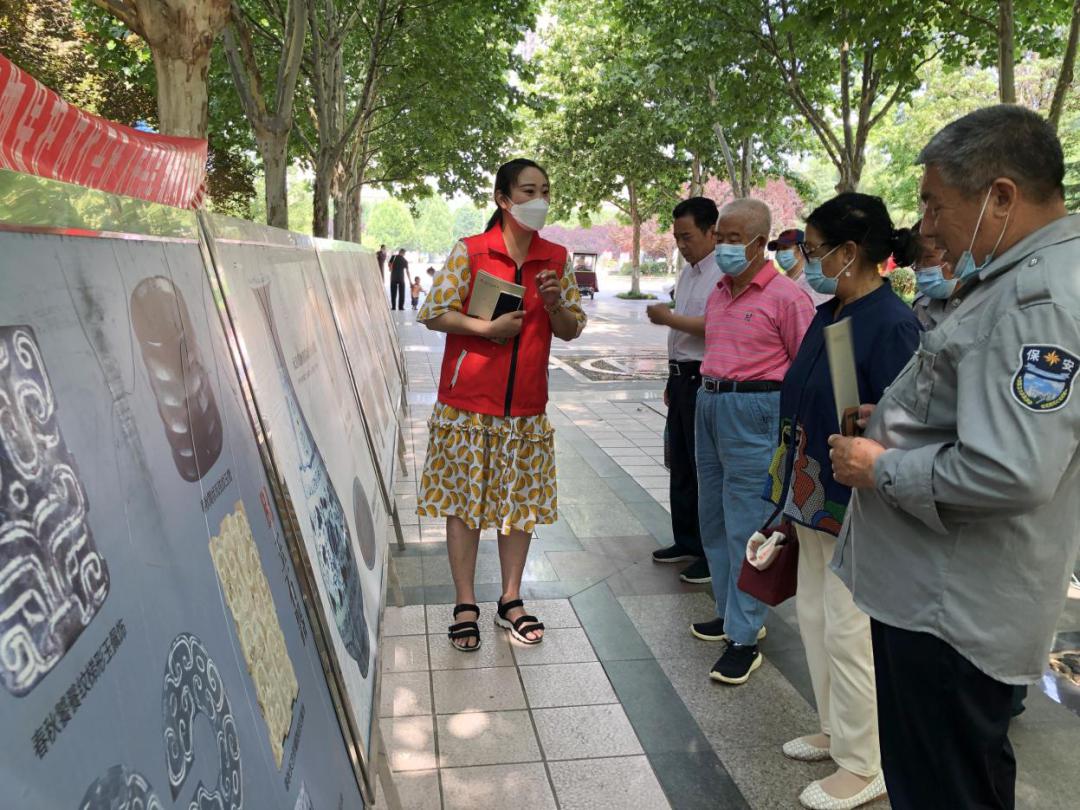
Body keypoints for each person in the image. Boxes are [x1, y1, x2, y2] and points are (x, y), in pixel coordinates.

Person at [828, 105, 1080, 809]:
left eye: (937, 205)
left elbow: (1011, 470)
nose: (926, 227)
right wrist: (900, 421)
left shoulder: (1038, 300)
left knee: (942, 788)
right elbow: (984, 411)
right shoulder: (1019, 276)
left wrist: (880, 466)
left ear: (1001, 194)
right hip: (944, 599)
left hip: (951, 611)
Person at [767, 193, 921, 810]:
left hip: (856, 499)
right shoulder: (828, 312)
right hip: (811, 492)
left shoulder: (894, 322)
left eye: (812, 247)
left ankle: (865, 761)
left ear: (849, 252)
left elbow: (903, 420)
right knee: (815, 618)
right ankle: (836, 729)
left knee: (850, 629)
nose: (804, 257)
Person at [417, 158, 587, 653]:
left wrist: (555, 304)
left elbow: (572, 328)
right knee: (465, 505)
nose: (539, 201)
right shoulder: (472, 252)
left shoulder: (556, 257)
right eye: (528, 191)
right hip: (467, 403)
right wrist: (486, 330)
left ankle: (511, 599)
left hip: (526, 408)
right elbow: (433, 313)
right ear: (503, 199)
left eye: (545, 191)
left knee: (520, 507)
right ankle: (465, 601)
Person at [691, 198, 815, 684]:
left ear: (760, 243)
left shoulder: (787, 297)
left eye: (732, 238)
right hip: (710, 403)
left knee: (747, 523)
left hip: (756, 410)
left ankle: (744, 637)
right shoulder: (720, 291)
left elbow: (806, 368)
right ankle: (728, 612)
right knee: (714, 517)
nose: (722, 246)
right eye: (719, 236)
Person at [645, 197, 722, 585]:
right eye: (676, 237)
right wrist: (670, 378)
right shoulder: (689, 272)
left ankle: (711, 553)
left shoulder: (722, 272)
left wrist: (669, 317)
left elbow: (715, 327)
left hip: (702, 376)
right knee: (680, 462)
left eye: (688, 236)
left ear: (712, 231)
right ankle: (686, 540)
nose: (681, 244)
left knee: (703, 467)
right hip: (681, 377)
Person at [910, 219, 956, 330]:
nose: (920, 267)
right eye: (916, 260)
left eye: (928, 257)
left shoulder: (982, 301)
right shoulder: (920, 305)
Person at [770, 228, 832, 306]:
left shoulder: (814, 284)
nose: (779, 253)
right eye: (778, 250)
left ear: (803, 249)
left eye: (785, 248)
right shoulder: (778, 281)